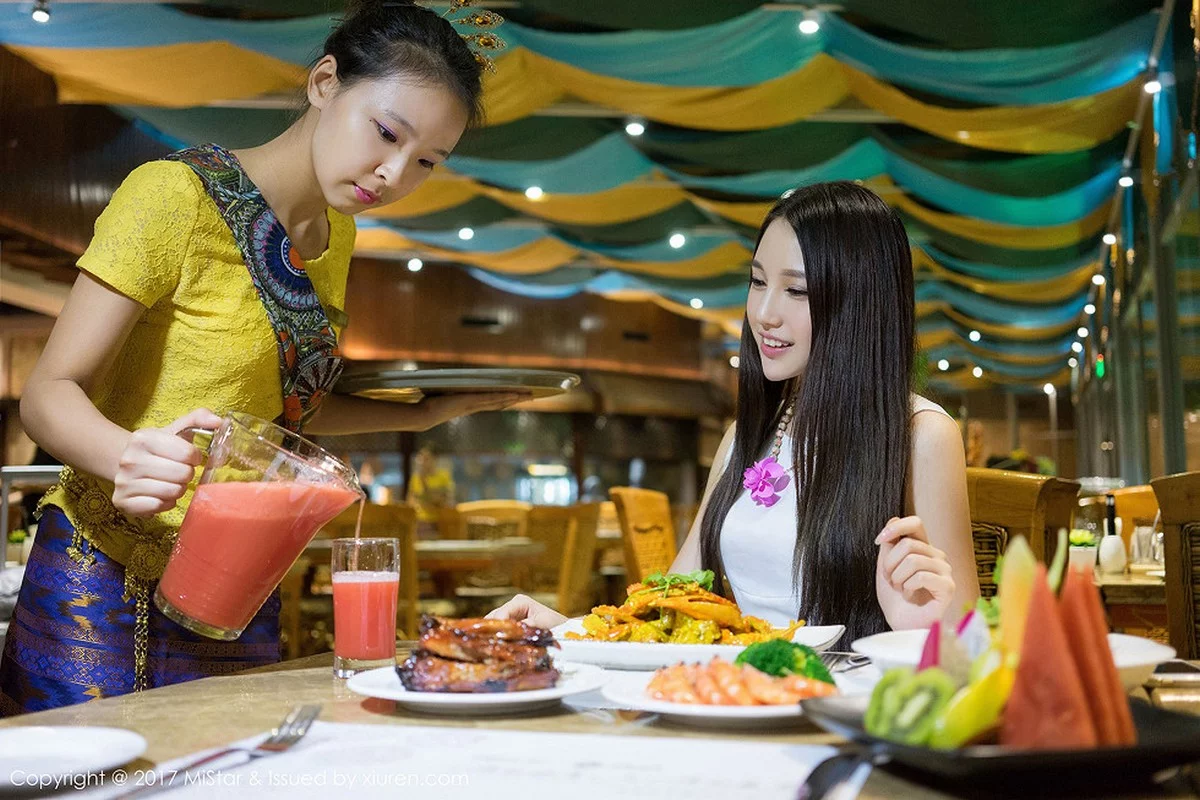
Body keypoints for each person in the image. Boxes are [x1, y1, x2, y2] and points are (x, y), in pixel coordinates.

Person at [1, 0, 519, 715]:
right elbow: (48, 391)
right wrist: (123, 454)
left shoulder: (335, 236)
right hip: (103, 574)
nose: (394, 174)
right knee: (91, 770)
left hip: (237, 580)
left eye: (426, 161)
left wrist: (423, 415)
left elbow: (276, 414)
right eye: (386, 133)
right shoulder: (175, 198)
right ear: (325, 82)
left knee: (233, 763)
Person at [491, 182, 980, 642]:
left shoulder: (921, 434)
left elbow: (966, 635)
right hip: (733, 688)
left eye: (796, 290)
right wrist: (567, 631)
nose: (764, 313)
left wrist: (922, 626)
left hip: (846, 695)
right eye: (758, 281)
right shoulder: (748, 434)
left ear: (860, 302)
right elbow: (673, 599)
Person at [407, 445, 456, 535]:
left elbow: (439, 500)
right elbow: (410, 501)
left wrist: (424, 484)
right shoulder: (415, 478)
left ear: (434, 459)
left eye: (426, 458)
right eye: (420, 458)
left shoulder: (443, 477)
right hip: (418, 522)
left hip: (438, 522)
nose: (422, 462)